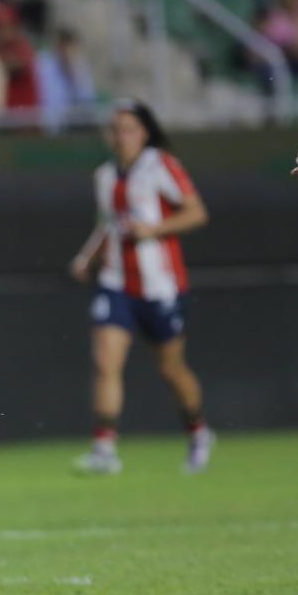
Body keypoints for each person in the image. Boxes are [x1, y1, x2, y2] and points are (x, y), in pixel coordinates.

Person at [68, 100, 213, 475]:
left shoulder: (160, 165)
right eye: (115, 130)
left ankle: (198, 431)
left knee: (171, 369)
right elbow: (108, 225)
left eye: (128, 129)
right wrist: (87, 258)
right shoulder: (104, 175)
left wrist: (154, 229)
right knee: (105, 361)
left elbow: (196, 212)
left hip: (161, 287)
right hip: (117, 283)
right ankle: (104, 448)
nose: (121, 137)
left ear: (144, 133)